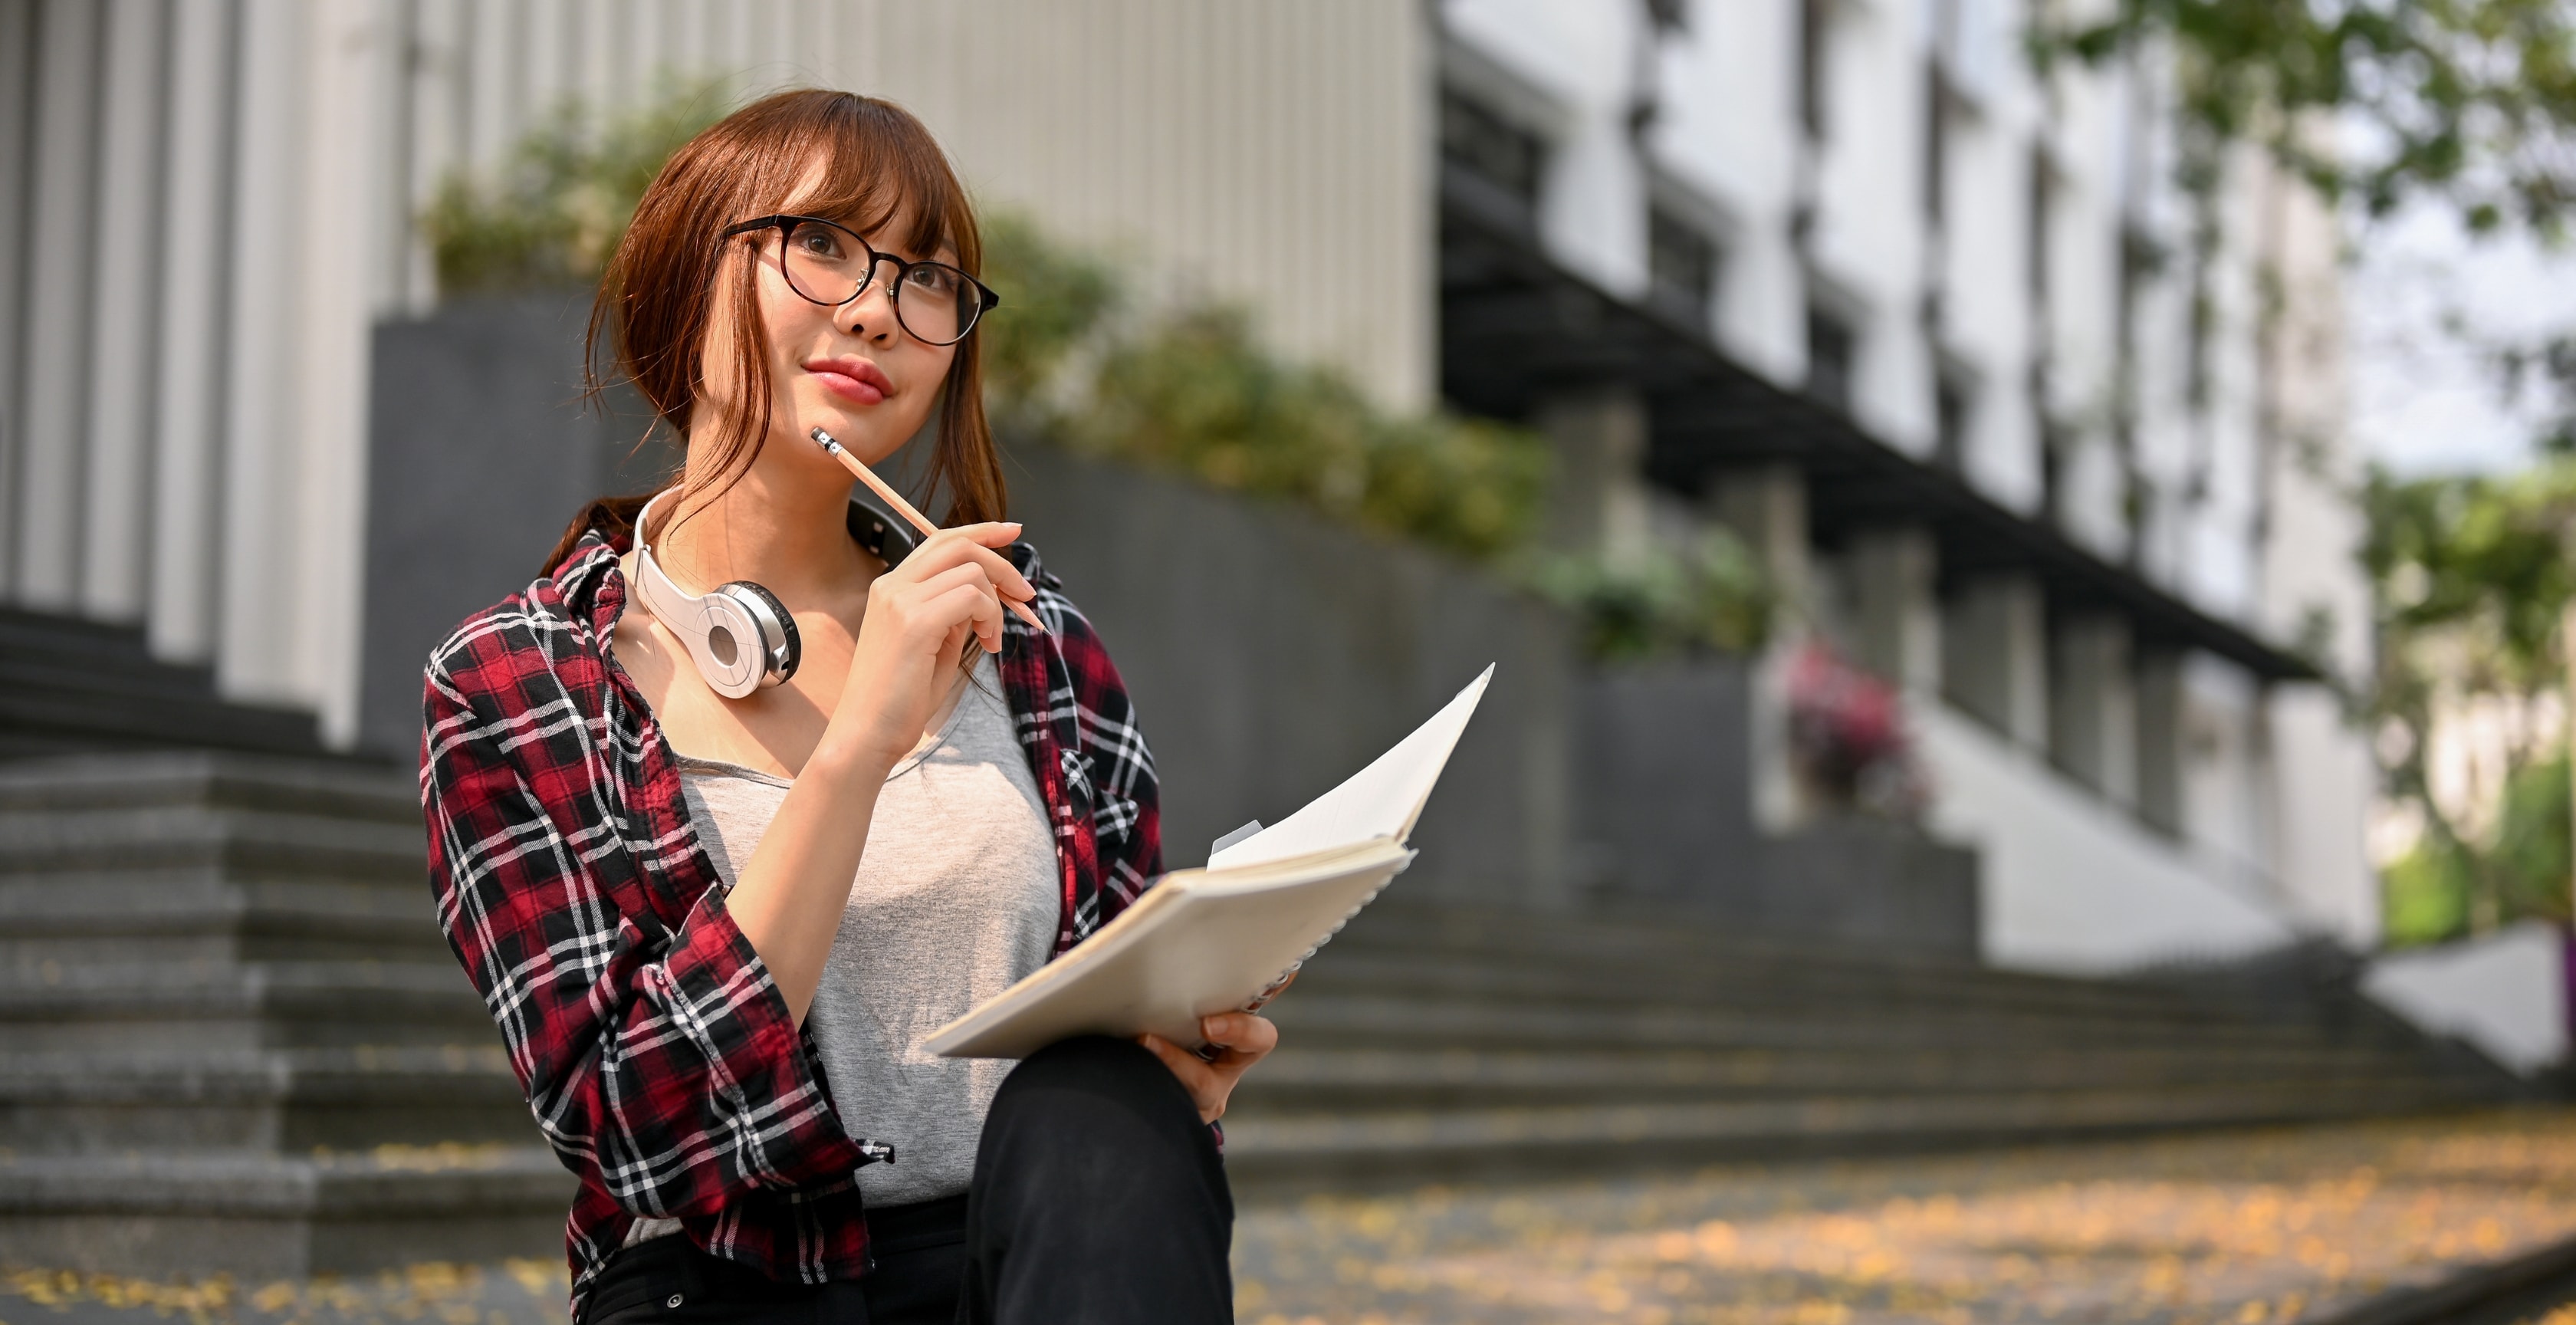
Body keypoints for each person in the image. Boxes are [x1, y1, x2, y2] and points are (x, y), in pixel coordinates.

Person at [420, 88, 1271, 1325]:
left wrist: (1175, 1064)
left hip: (1028, 1264)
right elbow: (632, 1134)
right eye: (820, 243)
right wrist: (858, 744)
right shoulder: (514, 681)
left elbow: (1106, 1019)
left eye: (929, 280)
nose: (876, 307)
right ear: (687, 268)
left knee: (1113, 1119)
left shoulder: (1027, 638)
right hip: (728, 1278)